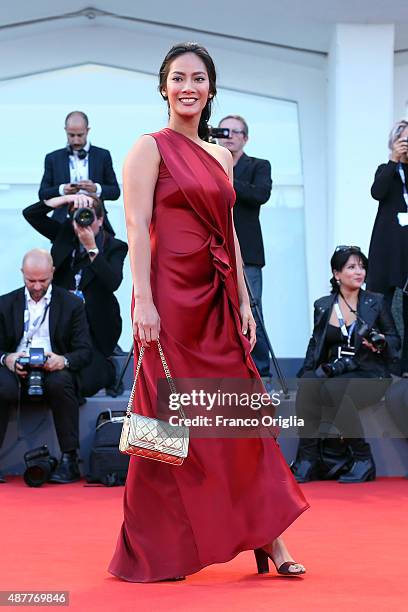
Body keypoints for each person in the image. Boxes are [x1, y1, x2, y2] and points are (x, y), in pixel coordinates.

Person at [108, 42, 308, 583]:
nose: (188, 86)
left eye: (199, 77)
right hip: (169, 303)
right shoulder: (147, 148)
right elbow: (135, 228)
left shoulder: (222, 157)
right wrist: (143, 301)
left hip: (217, 302)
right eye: (178, 77)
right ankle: (157, 546)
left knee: (239, 419)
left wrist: (244, 300)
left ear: (212, 89)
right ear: (163, 87)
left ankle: (272, 536)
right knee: (167, 422)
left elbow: (231, 234)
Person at [291, 246, 400, 484]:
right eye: (351, 267)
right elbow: (315, 342)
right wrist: (307, 372)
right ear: (336, 273)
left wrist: (380, 345)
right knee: (309, 385)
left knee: (332, 389)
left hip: (371, 374)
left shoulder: (376, 302)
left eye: (361, 267)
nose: (359, 272)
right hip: (337, 371)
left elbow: (394, 340)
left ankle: (363, 459)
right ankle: (308, 459)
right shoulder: (323, 305)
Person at [0, 249, 92, 484]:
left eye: (43, 280)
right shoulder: (5, 303)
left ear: (53, 272)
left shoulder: (72, 304)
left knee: (62, 382)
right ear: (22, 274)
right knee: (2, 386)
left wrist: (63, 360)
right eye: (31, 281)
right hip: (16, 368)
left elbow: (85, 351)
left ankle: (69, 459)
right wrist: (7, 358)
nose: (38, 286)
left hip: (53, 368)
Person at [23, 195, 128, 398]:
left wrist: (92, 249)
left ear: (100, 220)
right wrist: (67, 198)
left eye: (89, 217)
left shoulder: (115, 246)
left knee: (85, 379)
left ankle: (107, 370)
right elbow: (31, 214)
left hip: (96, 326)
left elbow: (113, 282)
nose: (82, 222)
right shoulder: (65, 235)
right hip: (63, 321)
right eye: (78, 217)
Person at [218, 115, 272, 379]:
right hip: (213, 248)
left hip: (247, 251)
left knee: (252, 309)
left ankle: (260, 371)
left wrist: (224, 178)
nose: (228, 136)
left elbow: (259, 194)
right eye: (223, 130)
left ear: (245, 138)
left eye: (234, 132)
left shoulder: (258, 165)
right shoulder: (207, 163)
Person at [367, 120, 408, 374]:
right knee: (379, 304)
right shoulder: (386, 169)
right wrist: (395, 160)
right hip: (386, 248)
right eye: (402, 140)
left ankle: (405, 366)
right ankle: (382, 362)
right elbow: (377, 192)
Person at [38, 111, 120, 235]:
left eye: (80, 135)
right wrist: (62, 190)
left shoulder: (103, 155)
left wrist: (96, 188)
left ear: (88, 130)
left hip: (96, 223)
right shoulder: (52, 158)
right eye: (71, 135)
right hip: (62, 224)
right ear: (65, 130)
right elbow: (43, 194)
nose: (76, 140)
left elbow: (115, 192)